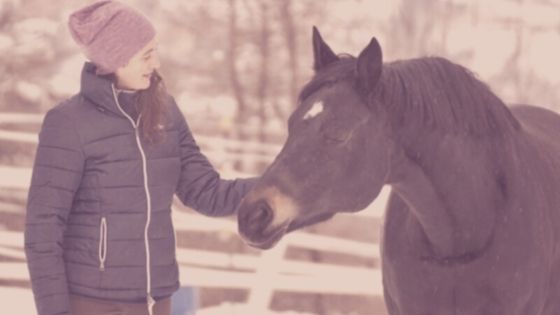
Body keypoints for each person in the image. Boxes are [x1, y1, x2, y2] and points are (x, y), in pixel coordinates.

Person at [24, 1, 257, 315]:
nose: (156, 62)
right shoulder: (68, 123)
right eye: (146, 54)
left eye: (155, 51)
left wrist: (279, 184)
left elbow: (207, 193)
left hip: (156, 301)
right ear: (115, 58)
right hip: (93, 304)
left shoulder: (165, 111)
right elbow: (43, 228)